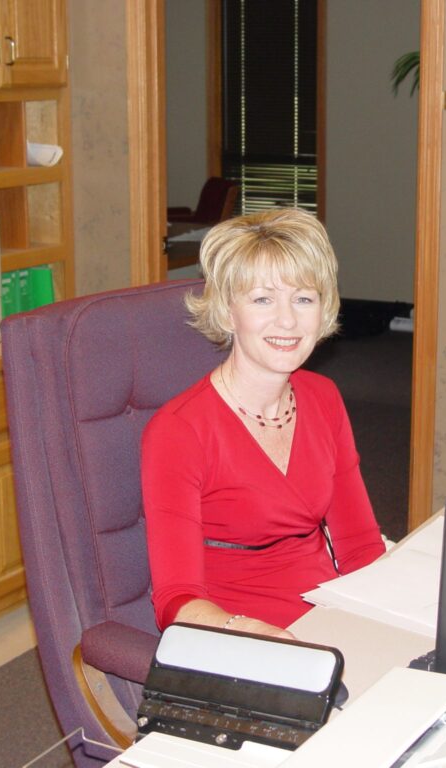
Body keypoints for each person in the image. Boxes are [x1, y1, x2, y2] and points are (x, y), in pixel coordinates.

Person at [141, 207, 385, 639]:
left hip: (329, 614)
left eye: (304, 298)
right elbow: (176, 600)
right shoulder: (178, 430)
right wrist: (257, 634)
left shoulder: (322, 397)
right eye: (262, 299)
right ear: (226, 310)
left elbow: (360, 546)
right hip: (238, 631)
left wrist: (389, 614)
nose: (288, 320)